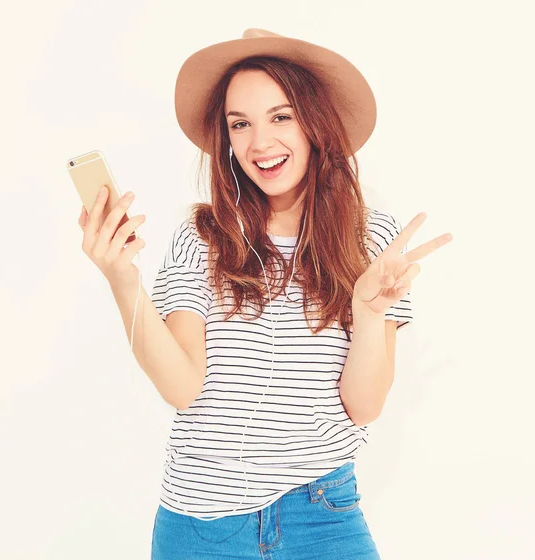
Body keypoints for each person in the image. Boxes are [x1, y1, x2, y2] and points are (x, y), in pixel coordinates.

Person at [78, 27, 452, 560]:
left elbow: (364, 406)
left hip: (323, 513)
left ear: (315, 123)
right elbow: (183, 387)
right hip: (201, 524)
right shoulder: (201, 235)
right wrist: (122, 280)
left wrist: (369, 316)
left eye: (281, 116)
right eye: (240, 124)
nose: (260, 142)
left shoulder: (372, 240)